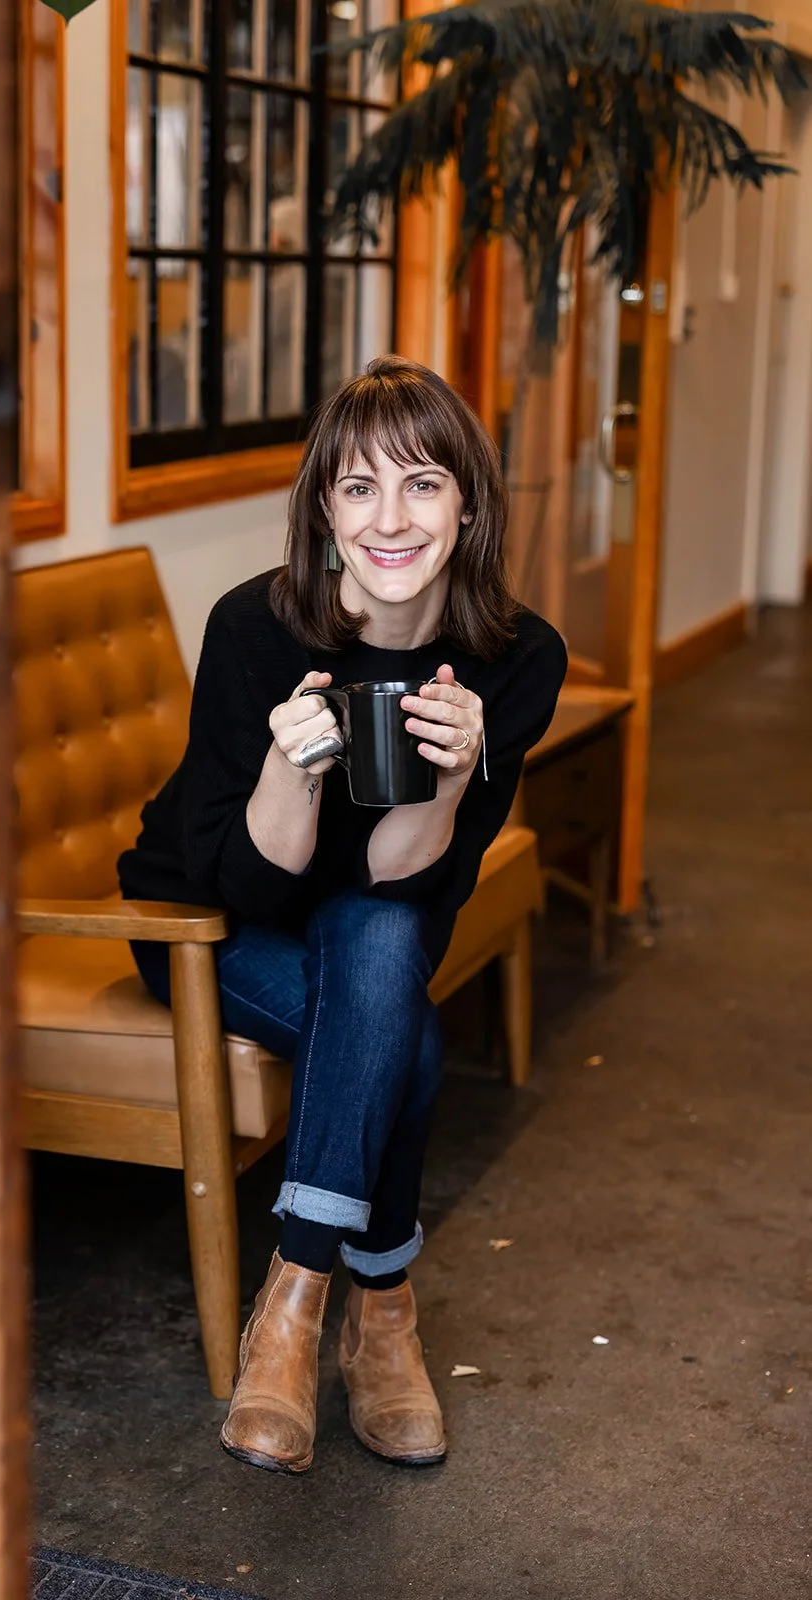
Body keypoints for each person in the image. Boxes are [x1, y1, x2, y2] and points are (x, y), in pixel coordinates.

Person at [118, 355, 567, 1475]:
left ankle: (295, 1298)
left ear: (466, 506)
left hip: (372, 917)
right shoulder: (255, 630)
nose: (390, 517)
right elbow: (238, 884)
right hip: (209, 929)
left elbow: (410, 887)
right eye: (358, 487)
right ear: (323, 506)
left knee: (375, 947)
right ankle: (380, 1303)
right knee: (402, 1035)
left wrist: (457, 775)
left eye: (421, 484)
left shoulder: (515, 661)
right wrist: (288, 769)